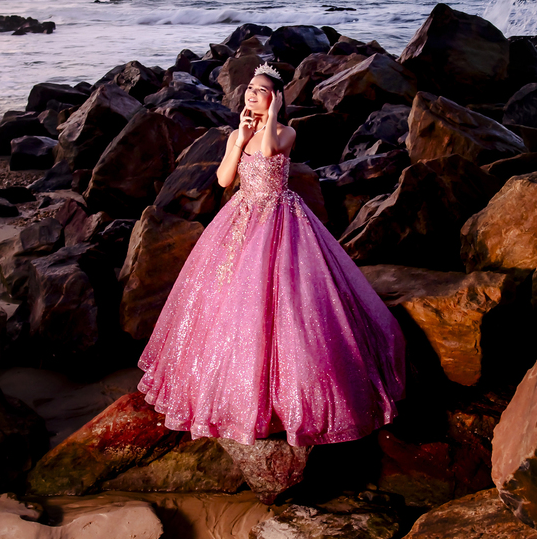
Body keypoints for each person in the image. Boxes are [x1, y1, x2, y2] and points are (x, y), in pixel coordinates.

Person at [137, 63, 406, 445]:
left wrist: (272, 118)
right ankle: (233, 388)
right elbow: (224, 179)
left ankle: (287, 397)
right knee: (229, 297)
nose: (251, 94)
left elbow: (268, 154)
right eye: (249, 87)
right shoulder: (238, 133)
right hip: (242, 215)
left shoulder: (286, 132)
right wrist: (239, 137)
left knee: (286, 298)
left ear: (276, 97)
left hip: (279, 217)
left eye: (261, 90)